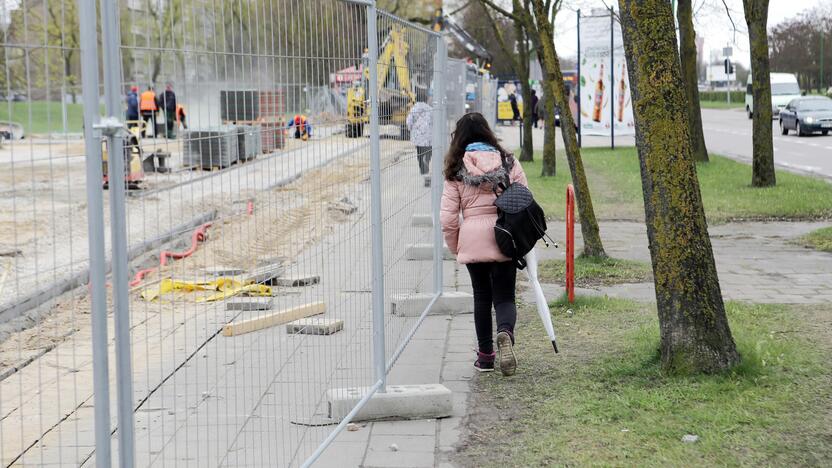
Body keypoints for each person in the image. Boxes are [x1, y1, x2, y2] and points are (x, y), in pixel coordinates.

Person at [440, 112, 528, 376]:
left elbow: (447, 218)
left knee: (481, 296)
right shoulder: (508, 160)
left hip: (472, 238)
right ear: (488, 132)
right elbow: (525, 197)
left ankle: (486, 357)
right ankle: (505, 332)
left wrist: (457, 246)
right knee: (504, 296)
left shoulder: (455, 168)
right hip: (505, 236)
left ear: (460, 138)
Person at [406, 89, 433, 181]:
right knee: (428, 153)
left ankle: (424, 171)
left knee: (420, 154)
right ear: (426, 99)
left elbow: (409, 122)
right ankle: (427, 163)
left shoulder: (414, 109)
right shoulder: (430, 109)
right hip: (429, 137)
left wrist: (410, 129)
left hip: (418, 138)